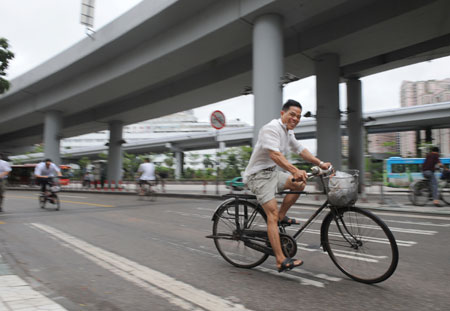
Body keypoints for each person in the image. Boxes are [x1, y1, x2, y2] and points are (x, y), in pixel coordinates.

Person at [243, 99, 331, 273]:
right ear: (282, 113)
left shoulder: (288, 132)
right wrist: (294, 170)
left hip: (272, 174)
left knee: (300, 183)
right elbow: (275, 155)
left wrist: (320, 163)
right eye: (292, 114)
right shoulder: (271, 128)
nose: (295, 119)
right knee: (272, 214)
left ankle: (282, 216)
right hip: (257, 176)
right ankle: (280, 260)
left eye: (298, 117)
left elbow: (300, 149)